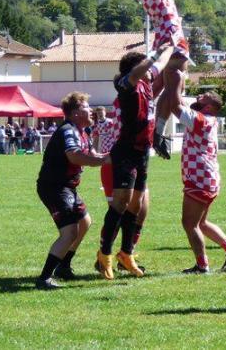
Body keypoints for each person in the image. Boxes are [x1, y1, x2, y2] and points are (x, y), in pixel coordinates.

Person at [95, 48, 172, 280]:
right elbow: (146, 68)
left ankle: (126, 253)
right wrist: (154, 54)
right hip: (125, 151)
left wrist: (171, 43)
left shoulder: (146, 83)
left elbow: (162, 64)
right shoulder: (124, 85)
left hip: (142, 152)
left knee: (136, 206)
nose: (152, 73)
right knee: (121, 202)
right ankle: (104, 254)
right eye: (147, 68)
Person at [127, 0, 200, 159]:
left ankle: (153, 128)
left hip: (174, 35)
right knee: (174, 82)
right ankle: (176, 124)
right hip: (169, 36)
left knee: (163, 86)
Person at [35, 92, 108, 289]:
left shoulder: (83, 130)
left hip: (67, 187)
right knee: (69, 232)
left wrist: (112, 156)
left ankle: (64, 266)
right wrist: (103, 161)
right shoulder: (68, 130)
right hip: (55, 187)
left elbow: (91, 154)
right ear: (75, 113)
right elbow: (75, 157)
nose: (91, 110)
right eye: (86, 107)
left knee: (84, 222)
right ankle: (44, 278)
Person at [172, 89, 226, 274]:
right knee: (201, 223)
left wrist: (173, 78)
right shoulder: (206, 118)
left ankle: (202, 265)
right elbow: (178, 101)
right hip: (207, 177)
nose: (199, 96)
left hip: (199, 178)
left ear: (210, 106)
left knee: (190, 224)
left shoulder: (202, 119)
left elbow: (173, 105)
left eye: (205, 96)